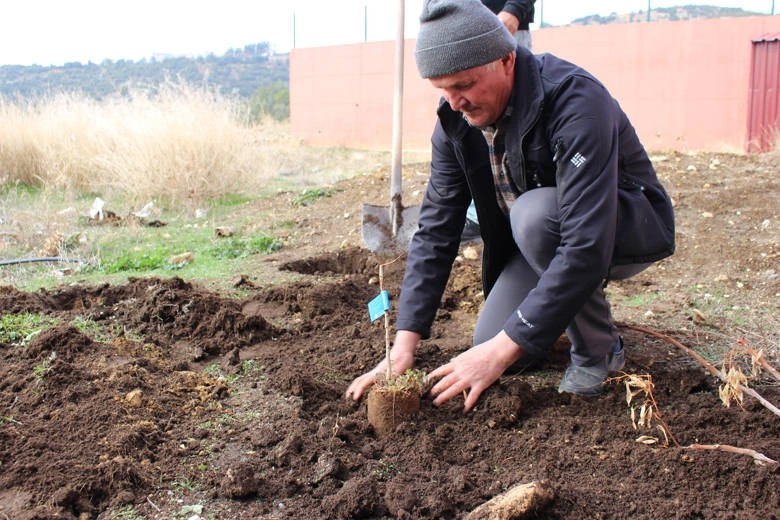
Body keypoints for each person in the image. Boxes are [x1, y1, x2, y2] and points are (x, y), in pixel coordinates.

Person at [346, 0, 675, 412]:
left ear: (506, 58)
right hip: (545, 236)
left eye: (464, 85)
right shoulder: (454, 122)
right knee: (490, 342)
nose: (454, 102)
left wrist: (508, 346)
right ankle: (558, 315)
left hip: (622, 226)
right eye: (442, 89)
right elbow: (436, 231)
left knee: (533, 217)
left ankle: (598, 351)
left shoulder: (575, 101)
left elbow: (585, 243)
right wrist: (403, 346)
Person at [462, 0, 536, 243]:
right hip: (460, 31)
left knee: (516, 129)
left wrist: (515, 8)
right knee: (471, 127)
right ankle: (479, 216)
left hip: (504, 23)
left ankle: (527, 221)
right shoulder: (451, 106)